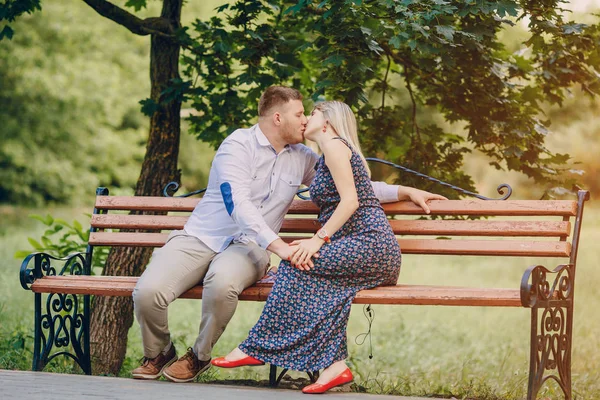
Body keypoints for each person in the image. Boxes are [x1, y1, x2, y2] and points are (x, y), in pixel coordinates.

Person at [131, 87, 446, 383]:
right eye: (300, 113)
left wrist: (402, 190)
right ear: (277, 117)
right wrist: (279, 246)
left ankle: (199, 356)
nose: (306, 119)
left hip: (249, 247)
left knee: (222, 284)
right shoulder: (237, 146)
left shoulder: (303, 156)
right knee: (148, 292)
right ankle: (159, 352)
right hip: (202, 236)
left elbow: (350, 186)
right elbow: (237, 203)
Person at [211, 101, 424, 393]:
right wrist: (404, 190)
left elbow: (352, 201)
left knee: (293, 260)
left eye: (310, 113)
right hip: (360, 249)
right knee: (331, 290)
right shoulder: (326, 156)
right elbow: (364, 188)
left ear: (327, 121)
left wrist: (317, 239)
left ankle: (256, 348)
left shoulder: (336, 146)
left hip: (369, 245)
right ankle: (334, 367)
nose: (304, 119)